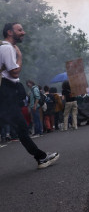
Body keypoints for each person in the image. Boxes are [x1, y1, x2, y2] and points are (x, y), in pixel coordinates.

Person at [0, 22, 59, 168]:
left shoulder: (7, 48)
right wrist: (20, 56)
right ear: (9, 32)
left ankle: (41, 157)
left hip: (8, 92)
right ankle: (41, 157)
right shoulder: (7, 48)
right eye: (19, 30)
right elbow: (14, 72)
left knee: (20, 127)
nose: (23, 32)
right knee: (21, 128)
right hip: (6, 92)